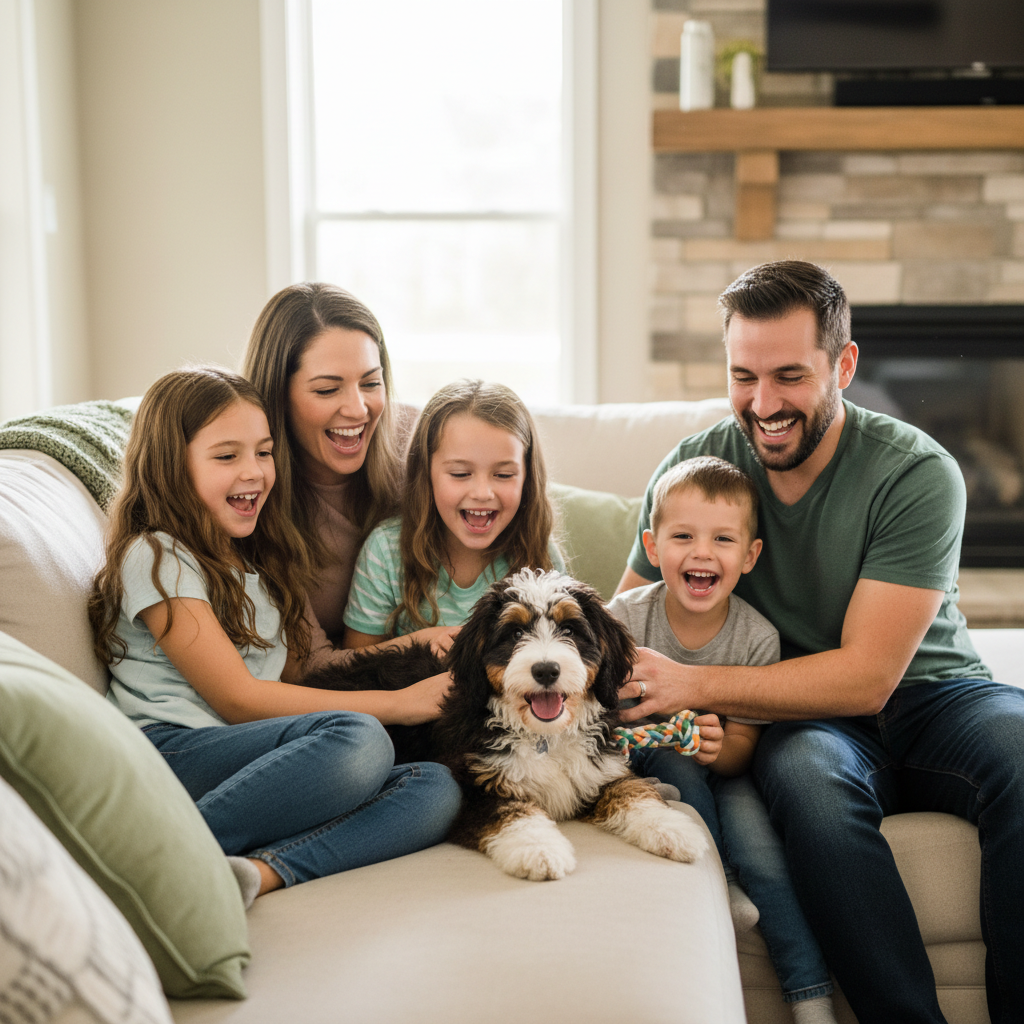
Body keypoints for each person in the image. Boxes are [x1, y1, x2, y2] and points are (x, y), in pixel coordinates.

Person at [614, 260, 1024, 1024]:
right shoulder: (695, 470)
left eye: (789, 376)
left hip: (935, 695)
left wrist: (696, 685)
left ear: (845, 364)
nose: (763, 404)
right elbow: (625, 631)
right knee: (806, 780)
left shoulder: (917, 472)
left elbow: (870, 679)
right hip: (806, 720)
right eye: (744, 376)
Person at [89, 367, 461, 907]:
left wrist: (416, 642)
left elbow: (304, 676)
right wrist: (401, 704)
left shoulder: (254, 563)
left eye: (263, 453)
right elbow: (238, 699)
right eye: (227, 456)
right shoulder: (157, 555)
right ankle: (155, 863)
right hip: (171, 750)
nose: (255, 472)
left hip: (252, 756)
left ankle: (255, 874)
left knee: (435, 787)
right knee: (359, 741)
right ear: (171, 465)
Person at [607, 455, 837, 1024]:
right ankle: (720, 877)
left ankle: (811, 998)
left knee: (767, 858)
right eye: (682, 535)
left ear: (750, 555)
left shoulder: (757, 638)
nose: (702, 552)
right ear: (653, 547)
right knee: (676, 764)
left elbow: (741, 752)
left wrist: (717, 747)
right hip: (646, 770)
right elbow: (595, 717)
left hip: (725, 778)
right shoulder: (623, 622)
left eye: (723, 538)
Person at [343, 379, 564, 644]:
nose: (482, 493)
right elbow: (353, 664)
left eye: (504, 475)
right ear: (426, 474)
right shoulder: (386, 552)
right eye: (460, 474)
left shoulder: (540, 554)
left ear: (527, 478)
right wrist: (420, 644)